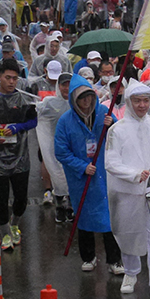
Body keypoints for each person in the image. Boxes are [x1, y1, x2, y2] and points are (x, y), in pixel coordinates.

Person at [105, 79, 150, 297]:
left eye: (145, 101)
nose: (142, 105)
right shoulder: (117, 131)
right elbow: (111, 162)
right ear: (128, 102)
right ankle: (131, 272)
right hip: (127, 191)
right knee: (129, 233)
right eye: (137, 101)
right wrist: (134, 175)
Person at [55, 76, 122, 273]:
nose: (86, 102)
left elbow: (120, 137)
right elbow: (61, 151)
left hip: (104, 173)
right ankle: (88, 257)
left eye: (89, 97)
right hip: (81, 178)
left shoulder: (104, 113)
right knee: (83, 215)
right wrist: (81, 166)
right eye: (81, 98)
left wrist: (113, 125)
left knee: (108, 217)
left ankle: (114, 260)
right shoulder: (65, 122)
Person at [0, 58, 39, 250]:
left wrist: (18, 127)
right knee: (0, 199)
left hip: (21, 157)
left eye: (15, 79)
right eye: (8, 78)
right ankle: (4, 234)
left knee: (21, 198)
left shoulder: (25, 99)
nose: (11, 82)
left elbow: (33, 121)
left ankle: (15, 224)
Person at [37, 71, 73, 222]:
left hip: (72, 147)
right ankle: (59, 207)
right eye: (63, 85)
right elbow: (36, 112)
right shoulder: (49, 102)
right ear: (58, 86)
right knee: (58, 178)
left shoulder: (77, 102)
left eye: (69, 84)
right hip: (55, 147)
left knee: (71, 177)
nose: (66, 88)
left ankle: (71, 207)